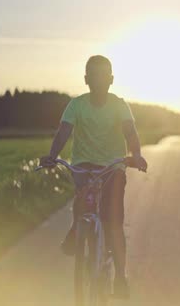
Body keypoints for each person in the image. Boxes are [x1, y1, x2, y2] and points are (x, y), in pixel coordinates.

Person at [40, 55, 147, 298]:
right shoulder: (76, 105)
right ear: (86, 79)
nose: (98, 80)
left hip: (113, 166)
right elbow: (63, 132)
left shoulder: (119, 105)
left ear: (111, 80)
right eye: (93, 76)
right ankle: (77, 228)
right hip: (83, 164)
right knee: (83, 197)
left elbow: (130, 132)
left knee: (114, 222)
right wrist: (52, 155)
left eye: (103, 76)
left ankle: (120, 277)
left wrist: (137, 155)